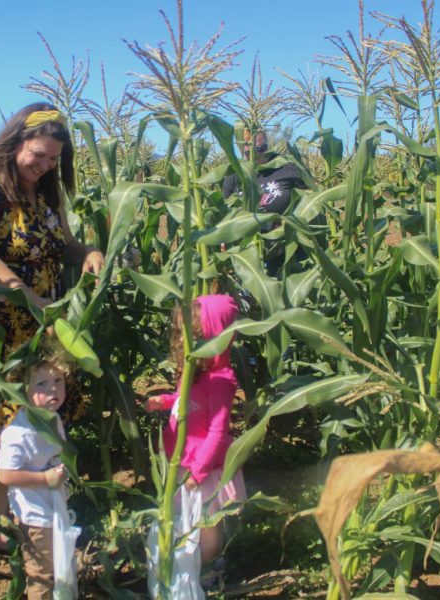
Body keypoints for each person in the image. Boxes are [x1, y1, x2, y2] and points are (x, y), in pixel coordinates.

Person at [0, 102, 104, 544]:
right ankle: (1, 526)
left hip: (42, 322)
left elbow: (64, 244)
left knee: (38, 417)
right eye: (39, 155)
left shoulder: (47, 188)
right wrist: (27, 296)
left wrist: (87, 253)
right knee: (6, 421)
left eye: (55, 159)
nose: (46, 165)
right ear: (16, 141)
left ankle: (39, 516)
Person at [143, 294, 247, 566]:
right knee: (186, 519)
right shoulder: (192, 369)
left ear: (213, 337)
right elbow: (185, 399)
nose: (181, 341)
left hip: (204, 470)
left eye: (191, 334)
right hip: (184, 461)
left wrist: (199, 472)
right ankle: (191, 567)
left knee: (207, 527)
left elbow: (218, 432)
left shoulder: (220, 381)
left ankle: (210, 569)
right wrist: (164, 401)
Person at [0, 347, 73, 600]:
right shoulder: (18, 432)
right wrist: (44, 479)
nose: (53, 389)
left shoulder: (52, 418)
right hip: (36, 517)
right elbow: (5, 475)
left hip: (54, 509)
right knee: (41, 574)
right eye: (42, 383)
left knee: (58, 565)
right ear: (22, 390)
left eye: (58, 381)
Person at [222, 130, 305, 275]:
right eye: (248, 152)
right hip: (247, 257)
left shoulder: (287, 168)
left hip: (286, 254)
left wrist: (288, 223)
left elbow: (310, 202)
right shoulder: (234, 176)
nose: (255, 155)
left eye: (260, 149)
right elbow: (224, 214)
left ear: (267, 145)